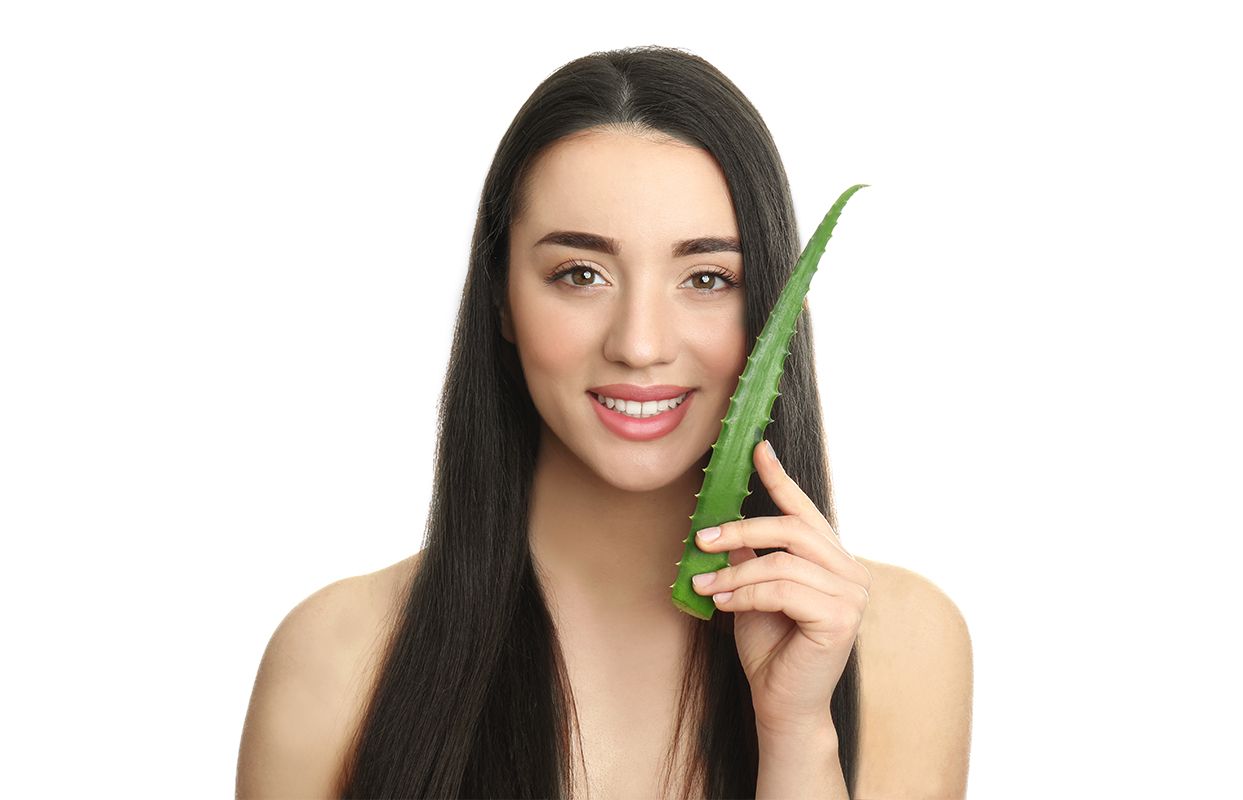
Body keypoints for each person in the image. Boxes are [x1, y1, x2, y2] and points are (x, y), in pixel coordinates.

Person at [236, 45, 973, 799]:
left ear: (773, 314)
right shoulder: (334, 657)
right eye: (580, 275)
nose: (640, 344)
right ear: (500, 300)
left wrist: (797, 736)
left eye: (707, 278)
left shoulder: (899, 645)